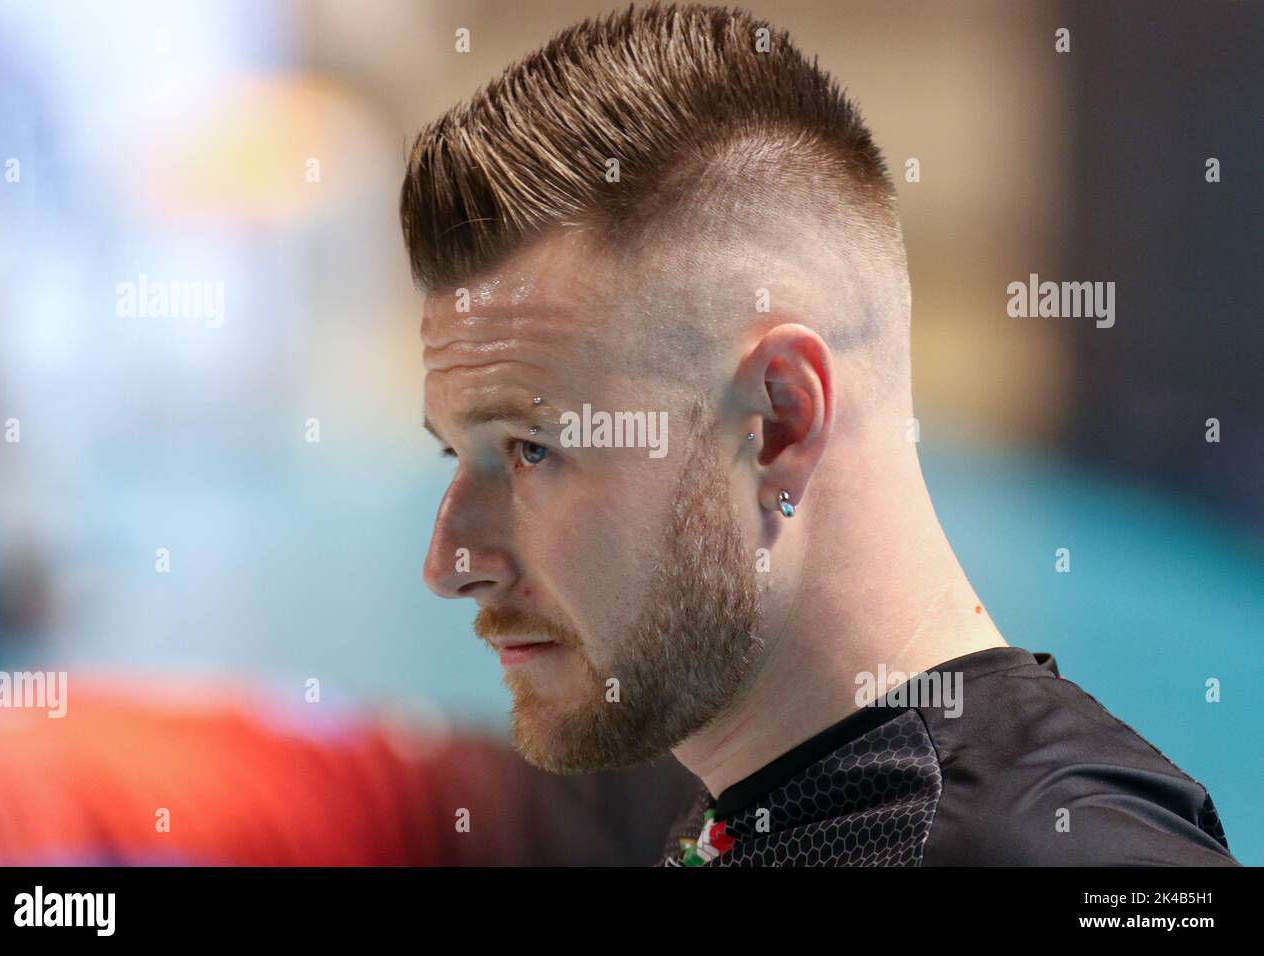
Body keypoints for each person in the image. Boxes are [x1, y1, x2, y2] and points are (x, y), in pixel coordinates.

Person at [402, 3, 1237, 865]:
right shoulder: (752, 802)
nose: (449, 562)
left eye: (533, 449)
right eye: (454, 453)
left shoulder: (1078, 857)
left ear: (777, 423)